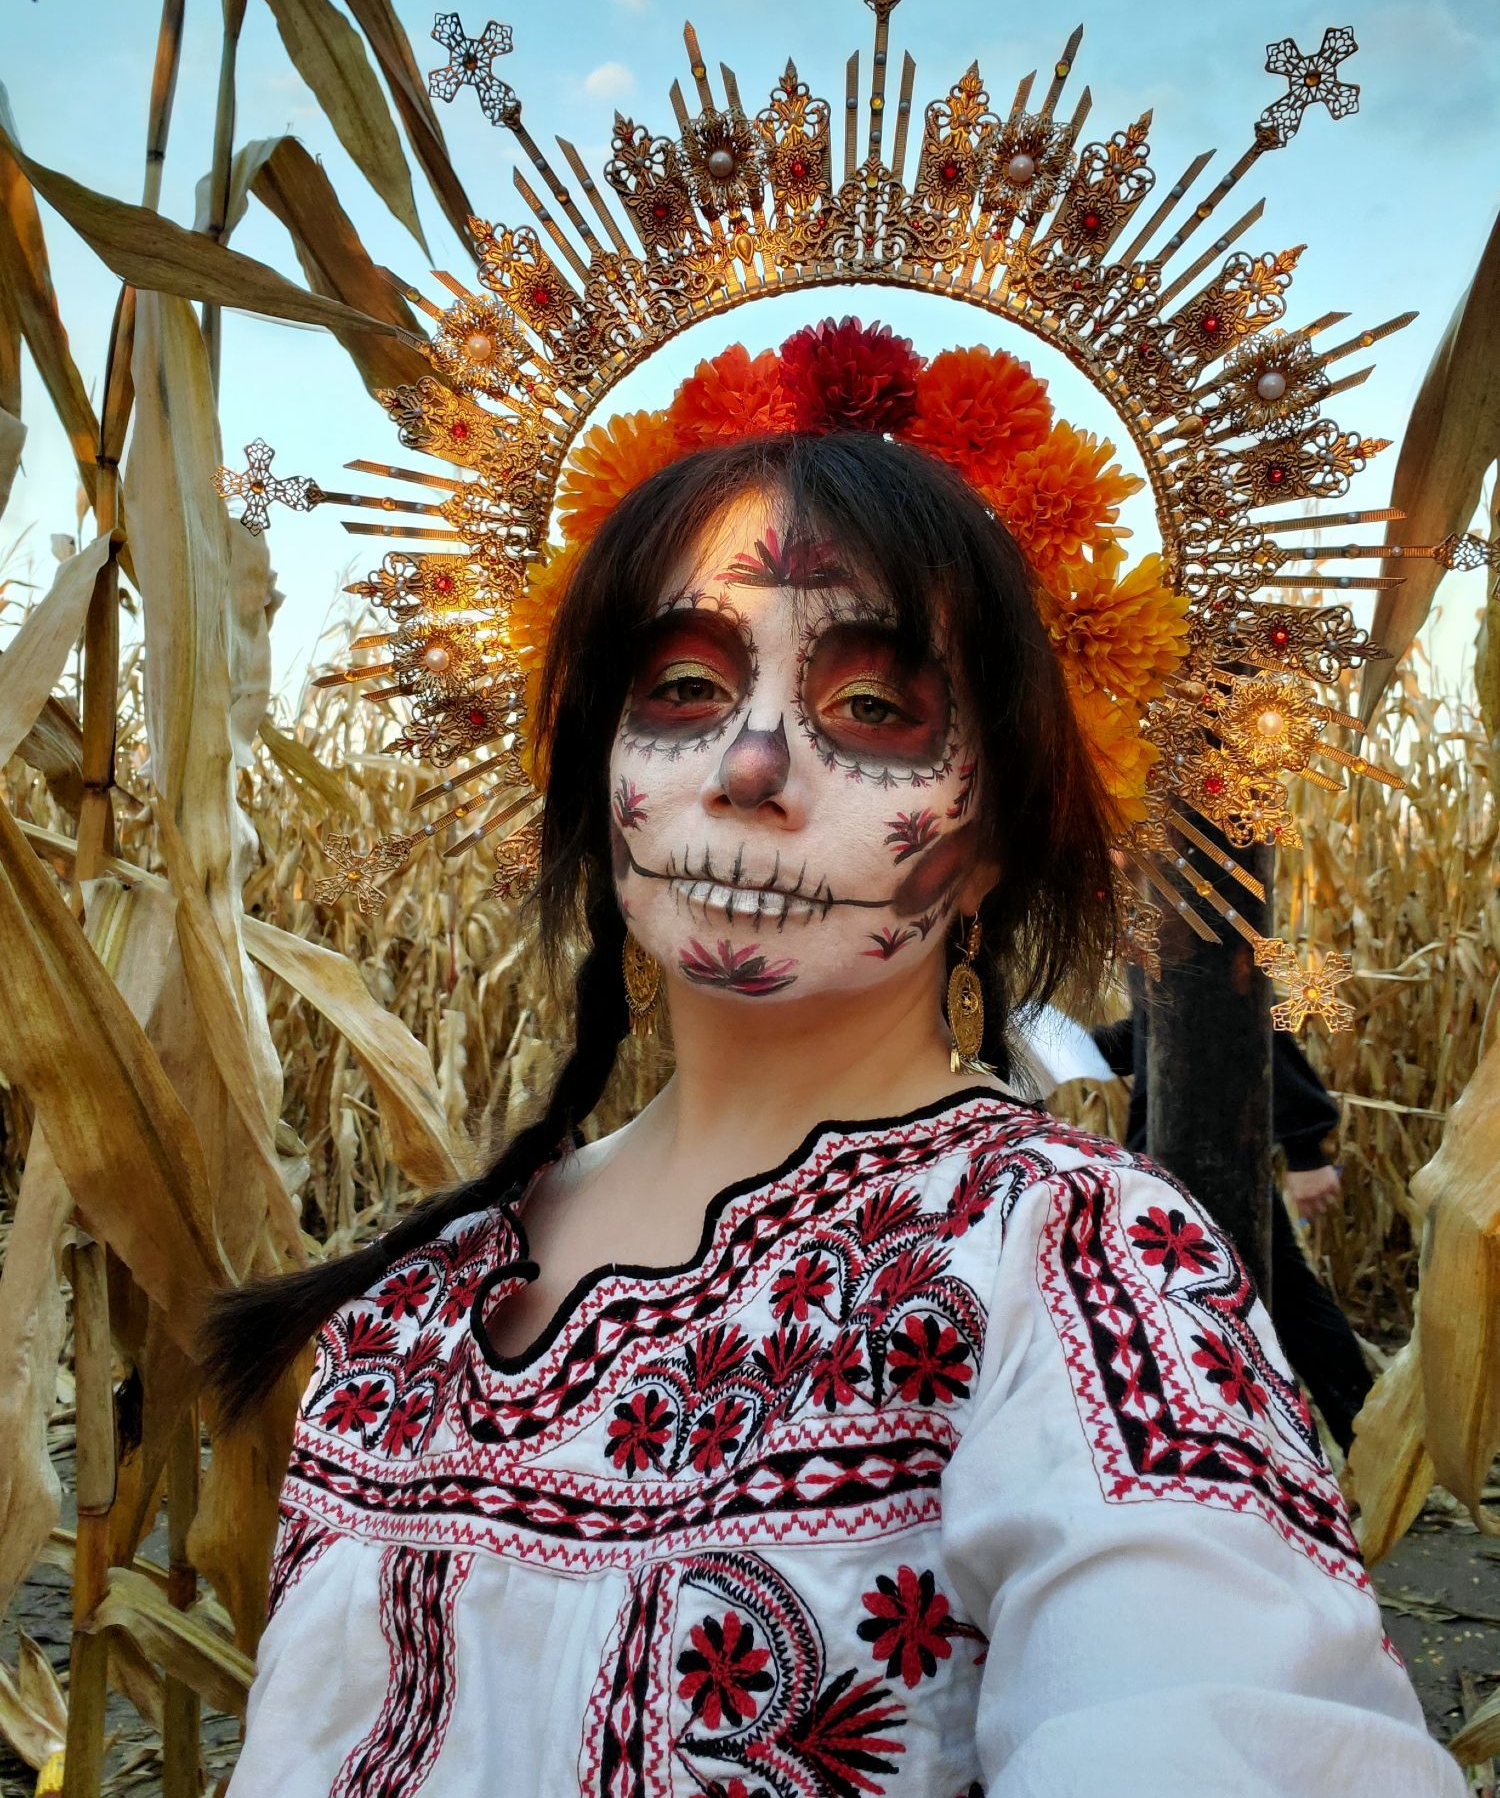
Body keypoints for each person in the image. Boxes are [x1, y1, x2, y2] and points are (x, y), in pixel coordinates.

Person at [204, 359, 1462, 1795]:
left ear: (1003, 822)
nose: (749, 763)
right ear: (596, 770)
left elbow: (1218, 1721)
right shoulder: (402, 1314)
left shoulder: (1068, 1267)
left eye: (873, 709)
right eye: (681, 685)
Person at [1093, 999, 1375, 1451]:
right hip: (1179, 1151)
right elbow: (1161, 1024)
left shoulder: (1195, 927)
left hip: (1210, 1150)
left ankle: (1372, 1455)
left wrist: (1306, 1148)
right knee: (1277, 1300)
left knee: (1286, 1300)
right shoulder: (1163, 936)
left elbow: (1248, 1009)